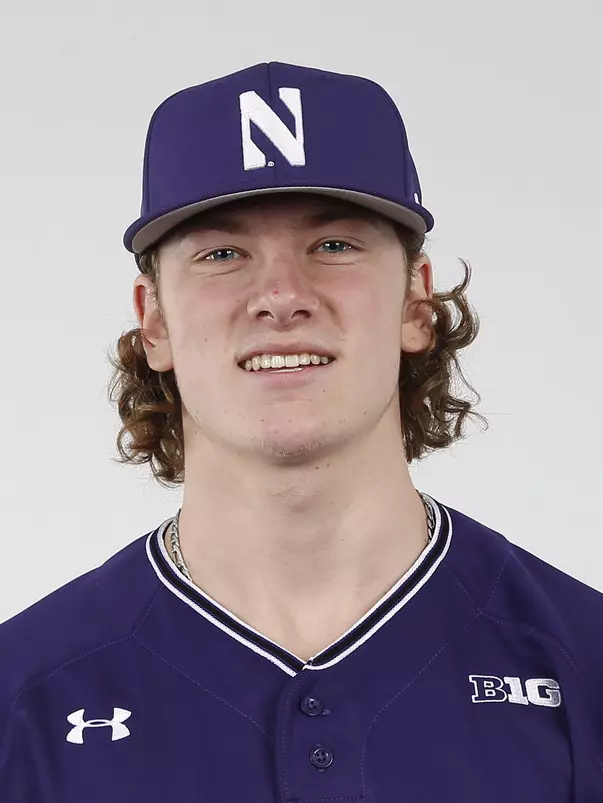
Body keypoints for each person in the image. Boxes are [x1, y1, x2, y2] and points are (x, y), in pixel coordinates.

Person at [0, 61, 601, 802]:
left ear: (416, 301)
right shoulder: (22, 695)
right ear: (153, 319)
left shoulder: (583, 664)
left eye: (334, 245)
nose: (281, 295)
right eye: (222, 254)